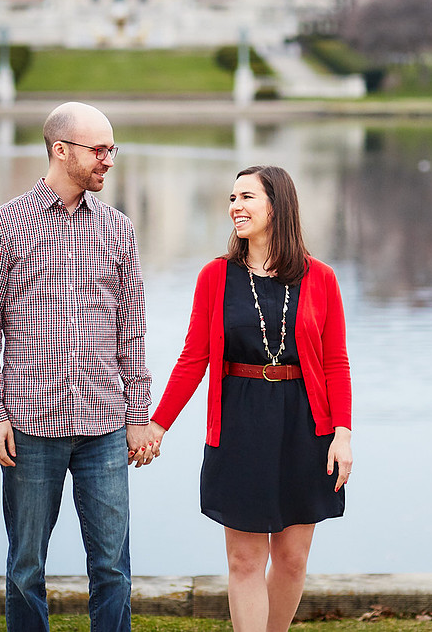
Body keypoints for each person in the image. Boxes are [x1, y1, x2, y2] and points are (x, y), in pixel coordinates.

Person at [0, 101, 156, 632]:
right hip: (30, 428)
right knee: (26, 567)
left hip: (105, 427)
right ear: (61, 150)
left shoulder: (118, 228)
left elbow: (133, 329)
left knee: (113, 569)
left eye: (112, 150)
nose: (109, 161)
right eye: (99, 150)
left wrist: (139, 413)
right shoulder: (2, 226)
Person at [146, 165, 352, 632]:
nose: (235, 207)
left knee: (293, 558)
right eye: (232, 198)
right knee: (244, 560)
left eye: (246, 197)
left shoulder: (321, 278)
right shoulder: (215, 277)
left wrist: (343, 432)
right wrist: (158, 424)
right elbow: (192, 358)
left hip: (305, 425)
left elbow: (337, 362)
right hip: (239, 425)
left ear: (277, 206)